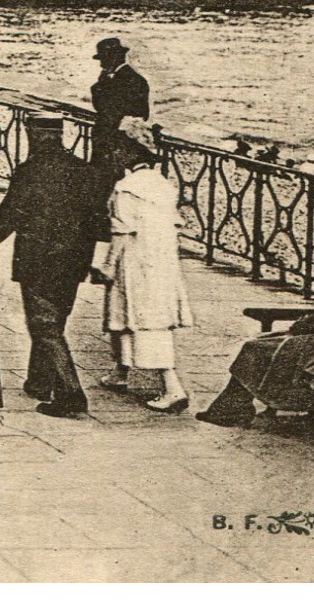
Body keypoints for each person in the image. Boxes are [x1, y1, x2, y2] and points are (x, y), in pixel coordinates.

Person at [0, 113, 103, 418]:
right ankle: (40, 380)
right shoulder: (83, 170)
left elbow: (10, 214)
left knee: (43, 324)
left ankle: (70, 393)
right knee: (55, 319)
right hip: (73, 260)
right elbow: (96, 220)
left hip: (38, 259)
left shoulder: (30, 171)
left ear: (35, 135)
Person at [198, 223, 314, 428]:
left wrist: (300, 326)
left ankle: (231, 409)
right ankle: (233, 406)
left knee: (256, 348)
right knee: (266, 345)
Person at [94, 116, 193, 413]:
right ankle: (122, 370)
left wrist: (108, 265)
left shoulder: (127, 188)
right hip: (162, 260)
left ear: (127, 153)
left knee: (142, 318)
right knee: (135, 313)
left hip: (135, 261)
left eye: (117, 150)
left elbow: (122, 231)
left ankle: (172, 387)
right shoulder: (163, 185)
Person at [89, 37, 149, 167]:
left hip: (118, 143)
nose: (101, 64)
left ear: (114, 57)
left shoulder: (130, 80)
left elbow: (110, 108)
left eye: (103, 59)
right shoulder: (119, 78)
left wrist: (102, 84)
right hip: (111, 142)